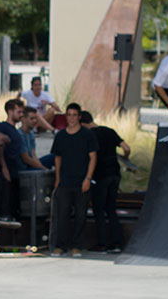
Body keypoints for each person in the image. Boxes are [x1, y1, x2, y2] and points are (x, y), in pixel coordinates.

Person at [49, 103, 97, 256]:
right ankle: (60, 245)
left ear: (79, 116)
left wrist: (88, 178)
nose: (71, 118)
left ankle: (77, 245)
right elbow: (57, 158)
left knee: (80, 215)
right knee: (62, 214)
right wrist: (57, 179)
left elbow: (93, 157)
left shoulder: (87, 135)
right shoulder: (61, 136)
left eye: (74, 115)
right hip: (65, 181)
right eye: (68, 115)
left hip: (81, 181)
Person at [80, 110, 130, 253]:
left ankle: (101, 243)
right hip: (114, 173)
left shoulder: (89, 135)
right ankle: (116, 243)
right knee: (111, 209)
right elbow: (127, 148)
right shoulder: (109, 131)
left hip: (100, 175)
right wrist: (124, 157)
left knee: (99, 209)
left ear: (83, 123)